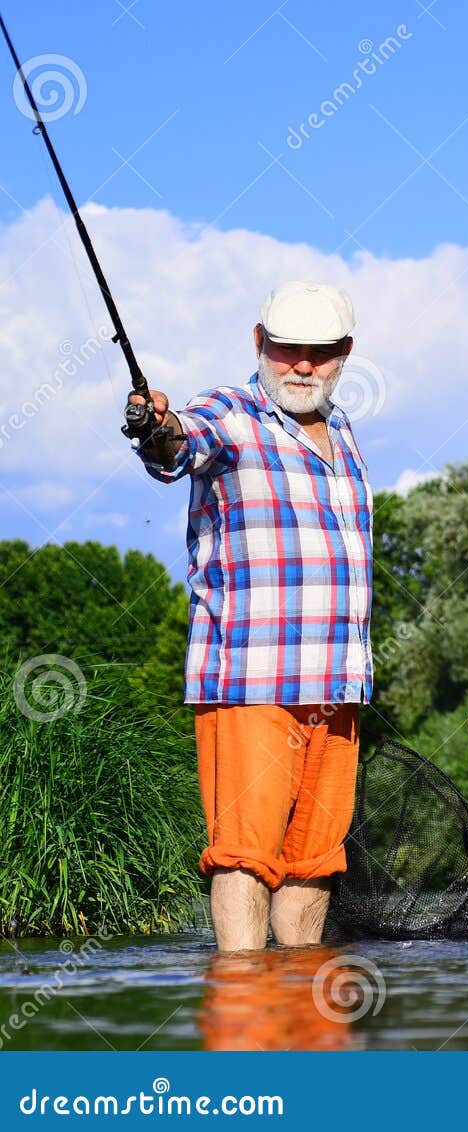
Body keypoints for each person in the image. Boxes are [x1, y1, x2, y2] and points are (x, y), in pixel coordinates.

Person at [130, 280, 371, 953]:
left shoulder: (345, 430)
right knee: (242, 854)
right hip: (249, 681)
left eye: (318, 352)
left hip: (338, 687)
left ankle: (296, 1024)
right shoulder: (229, 412)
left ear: (344, 352)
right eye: (286, 347)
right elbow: (177, 446)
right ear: (259, 343)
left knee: (314, 861)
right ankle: (240, 1025)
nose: (300, 364)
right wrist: (156, 427)